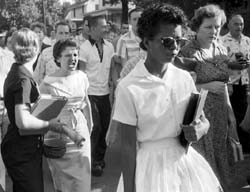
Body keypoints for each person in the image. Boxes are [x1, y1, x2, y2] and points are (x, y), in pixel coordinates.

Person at [108, 3, 222, 192]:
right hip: (150, 170)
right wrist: (129, 188)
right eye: (167, 41)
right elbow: (128, 147)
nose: (175, 48)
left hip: (185, 163)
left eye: (180, 41)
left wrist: (199, 129)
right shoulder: (128, 87)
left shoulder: (184, 78)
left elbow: (203, 121)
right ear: (146, 42)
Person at [178, 4, 239, 190]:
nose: (214, 31)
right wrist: (205, 86)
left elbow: (224, 85)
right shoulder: (187, 52)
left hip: (220, 115)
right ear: (197, 27)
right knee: (204, 165)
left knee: (222, 159)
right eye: (209, 27)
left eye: (218, 26)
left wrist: (231, 116)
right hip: (200, 116)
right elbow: (178, 88)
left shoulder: (220, 50)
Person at [0, 28, 68, 192]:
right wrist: (50, 124)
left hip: (20, 147)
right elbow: (23, 121)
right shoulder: (23, 78)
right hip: (22, 150)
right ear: (36, 49)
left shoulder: (18, 71)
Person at [39, 39, 92, 192]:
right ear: (57, 58)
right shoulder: (48, 83)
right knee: (64, 183)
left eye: (75, 55)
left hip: (80, 129)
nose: (73, 59)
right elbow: (42, 114)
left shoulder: (82, 76)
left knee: (83, 181)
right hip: (58, 133)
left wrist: (89, 125)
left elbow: (86, 101)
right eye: (68, 55)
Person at [79, 15, 114, 176]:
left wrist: (114, 84)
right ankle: (93, 162)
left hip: (105, 93)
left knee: (105, 127)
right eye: (102, 26)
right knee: (96, 127)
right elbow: (81, 72)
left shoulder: (110, 46)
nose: (105, 28)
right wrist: (83, 95)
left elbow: (112, 67)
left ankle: (99, 158)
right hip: (90, 93)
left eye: (106, 25)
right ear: (92, 28)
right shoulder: (84, 48)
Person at [221, 14, 250, 153]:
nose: (239, 27)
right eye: (236, 24)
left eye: (241, 24)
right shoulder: (222, 41)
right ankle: (232, 145)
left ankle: (243, 145)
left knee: (244, 113)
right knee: (231, 115)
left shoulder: (248, 41)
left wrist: (247, 63)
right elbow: (220, 64)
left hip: (244, 82)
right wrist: (228, 82)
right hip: (230, 84)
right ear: (229, 25)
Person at [34, 21, 71, 85]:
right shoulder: (46, 53)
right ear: (55, 34)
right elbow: (38, 77)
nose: (63, 36)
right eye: (61, 33)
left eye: (66, 33)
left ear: (69, 35)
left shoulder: (75, 54)